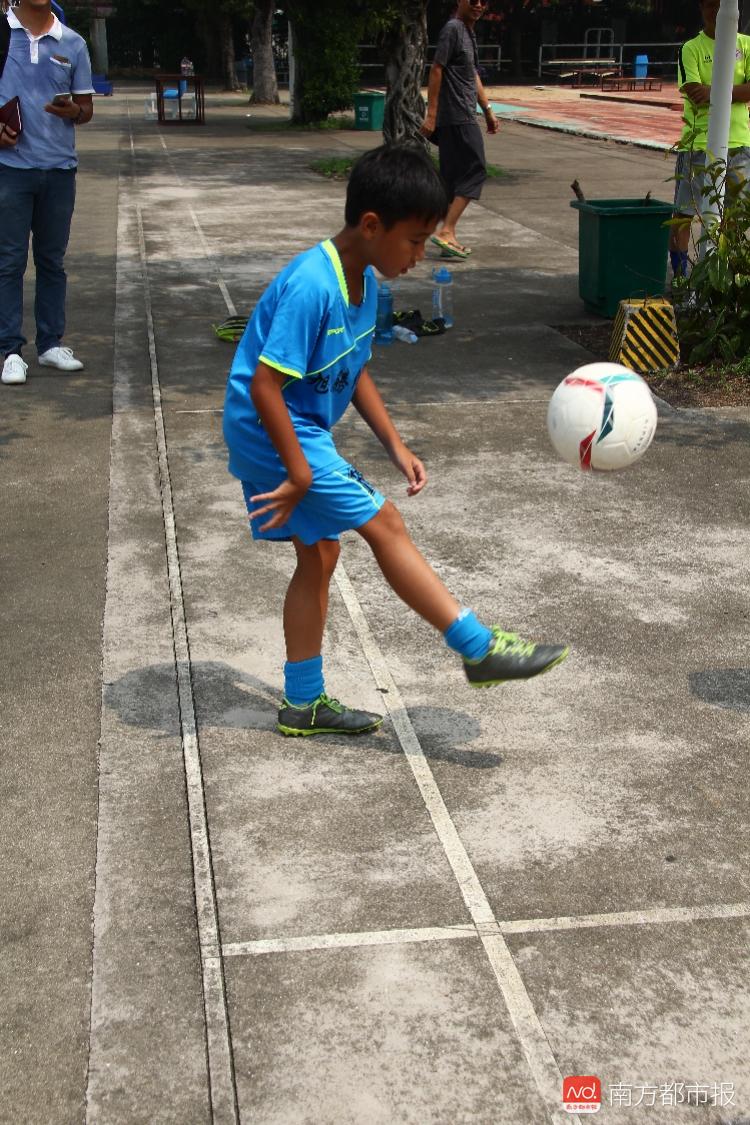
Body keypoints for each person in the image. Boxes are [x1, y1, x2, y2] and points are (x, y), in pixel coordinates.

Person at [223, 144, 568, 738]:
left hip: (290, 425)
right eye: (414, 241)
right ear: (371, 225)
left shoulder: (361, 282)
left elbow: (354, 370)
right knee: (385, 525)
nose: (420, 255)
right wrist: (301, 473)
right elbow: (263, 384)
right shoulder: (315, 286)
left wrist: (394, 444)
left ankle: (302, 704)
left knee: (321, 555)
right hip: (270, 425)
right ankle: (478, 647)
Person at [0, 0, 94, 387]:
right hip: (10, 169)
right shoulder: (3, 33)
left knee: (52, 261)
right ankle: (10, 351)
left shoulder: (72, 43)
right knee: (9, 262)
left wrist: (73, 111)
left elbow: (87, 108)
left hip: (59, 169)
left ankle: (51, 344)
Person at [669, 0, 750, 279]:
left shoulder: (746, 46)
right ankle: (681, 278)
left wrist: (713, 90)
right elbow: (695, 92)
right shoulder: (691, 48)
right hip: (698, 146)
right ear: (702, 9)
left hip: (739, 144)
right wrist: (734, 91)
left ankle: (726, 276)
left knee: (735, 216)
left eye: (720, 5)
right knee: (683, 215)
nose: (715, 11)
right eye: (709, 5)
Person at [421, 0, 499, 260]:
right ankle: (447, 231)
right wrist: (431, 114)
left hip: (463, 114)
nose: (478, 5)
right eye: (473, 0)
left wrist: (487, 109)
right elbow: (436, 69)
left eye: (483, 1)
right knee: (476, 170)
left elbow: (472, 74)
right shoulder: (453, 29)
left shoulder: (468, 31)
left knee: (452, 179)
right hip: (456, 116)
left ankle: (444, 237)